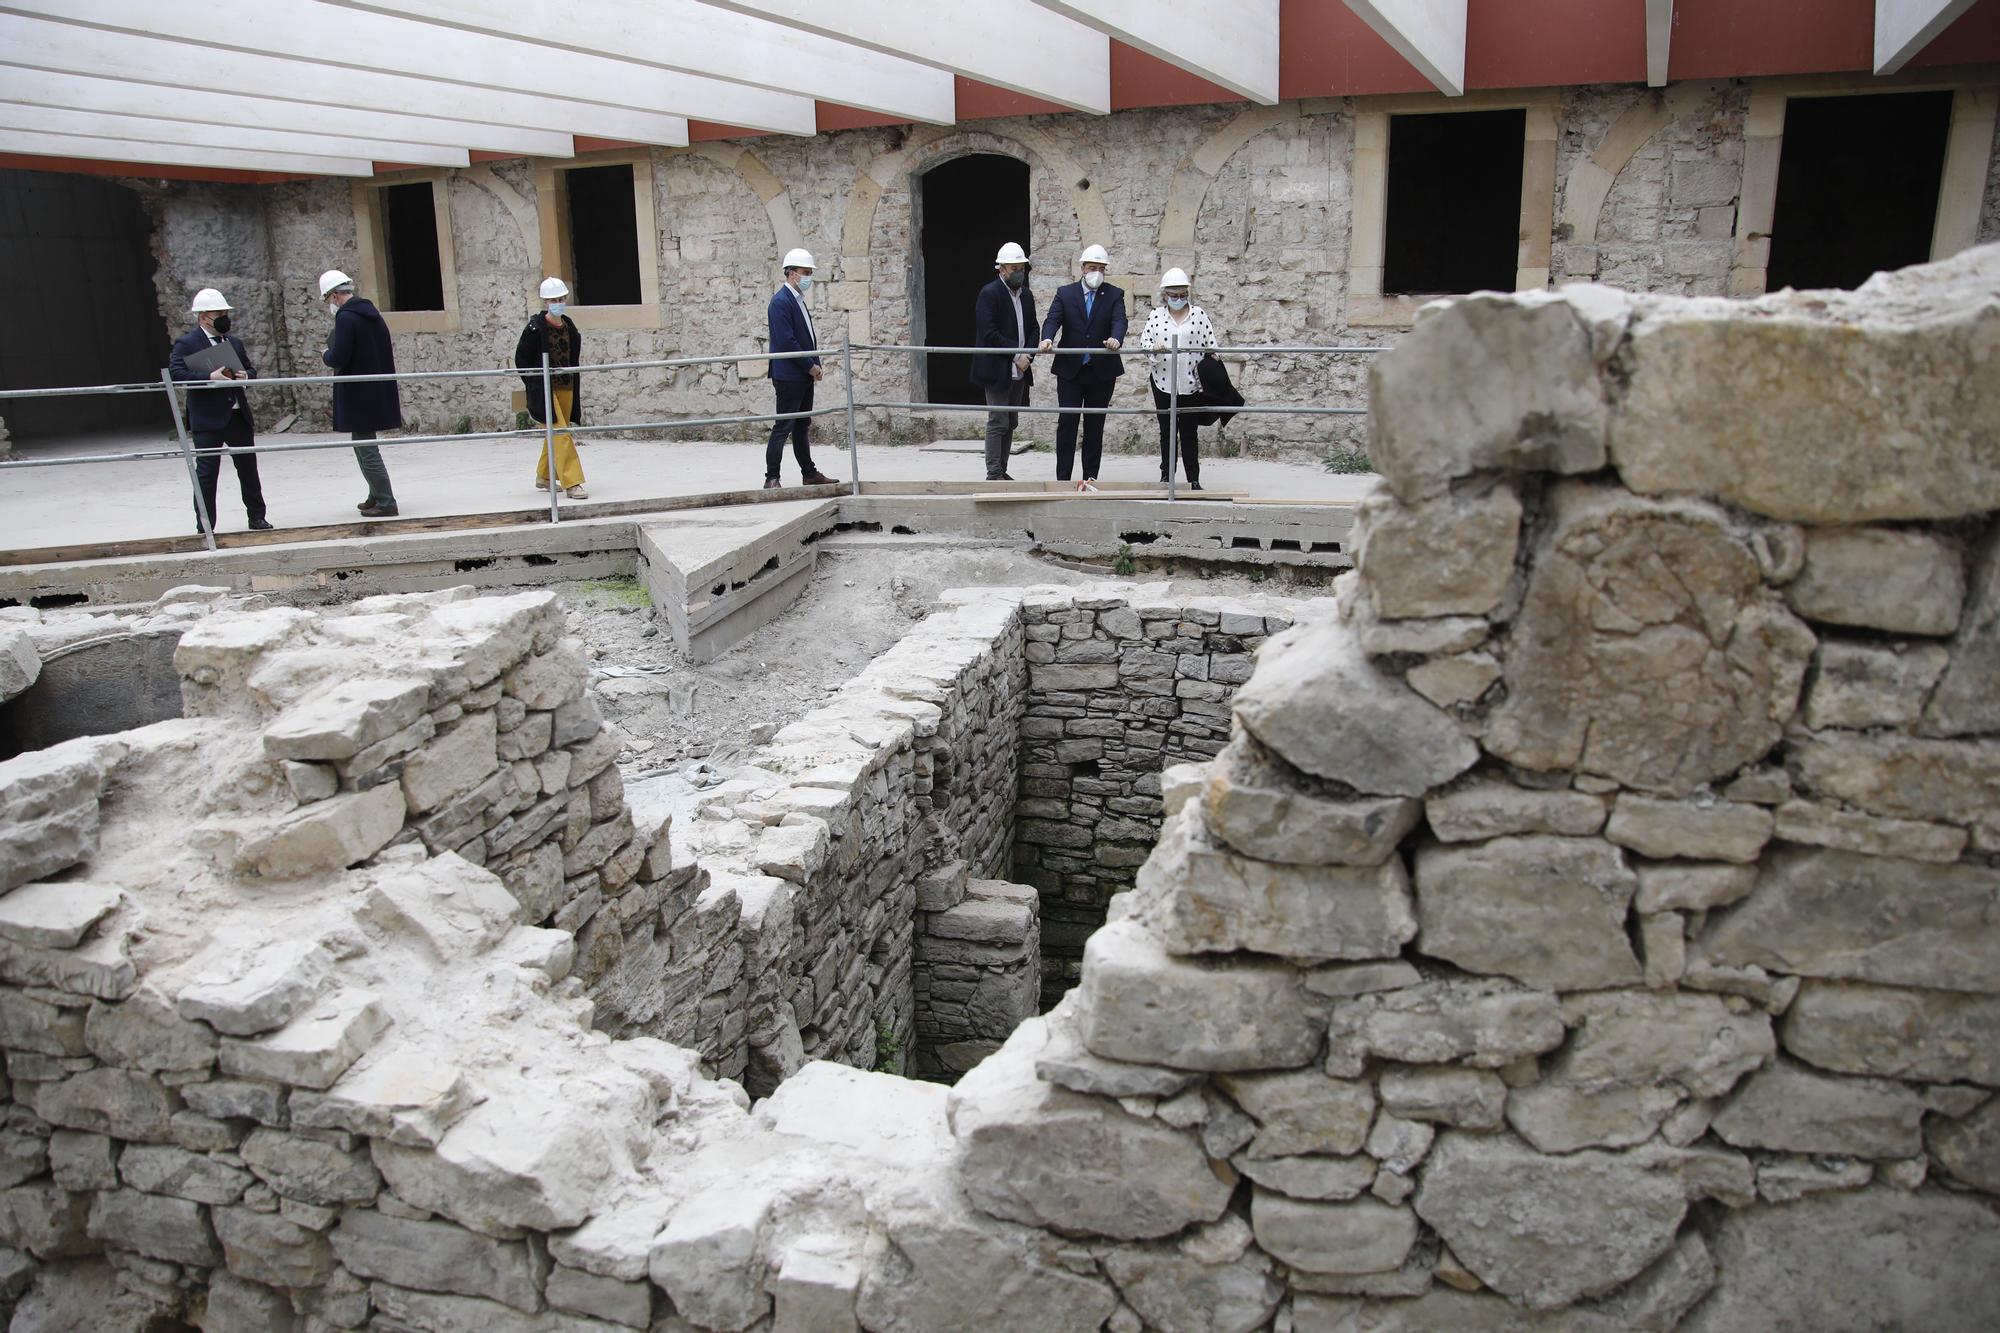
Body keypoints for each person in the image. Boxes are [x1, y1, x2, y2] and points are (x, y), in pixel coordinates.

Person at [169, 288, 272, 534]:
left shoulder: (233, 343)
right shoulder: (188, 343)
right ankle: (205, 526)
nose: (224, 317)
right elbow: (175, 373)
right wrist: (208, 377)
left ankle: (257, 517)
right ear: (203, 317)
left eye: (226, 312)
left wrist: (246, 376)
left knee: (248, 469)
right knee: (206, 473)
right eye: (219, 313)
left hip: (237, 415)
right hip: (208, 418)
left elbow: (250, 369)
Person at [1037, 243, 1126, 490]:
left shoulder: (1114, 294)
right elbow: (1053, 318)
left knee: (1095, 425)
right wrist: (1047, 338)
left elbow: (1120, 320)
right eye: (1091, 267)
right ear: (1082, 268)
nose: (1096, 272)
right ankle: (1062, 478)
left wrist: (1117, 338)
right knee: (1067, 423)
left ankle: (1090, 479)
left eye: (1101, 268)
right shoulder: (1065, 293)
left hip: (1101, 371)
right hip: (1070, 371)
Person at [319, 270, 401, 517]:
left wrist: (325, 354)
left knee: (366, 448)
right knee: (362, 444)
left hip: (358, 393)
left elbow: (339, 357)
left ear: (335, 296)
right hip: (374, 390)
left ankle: (386, 501)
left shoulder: (346, 318)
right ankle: (374, 494)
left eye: (328, 300)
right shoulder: (370, 314)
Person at [1138, 267, 1218, 492]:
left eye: (1183, 294)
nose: (1178, 299)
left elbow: (1211, 342)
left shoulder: (1198, 315)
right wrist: (1154, 348)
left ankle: (1193, 478)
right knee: (1167, 430)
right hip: (1163, 381)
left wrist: (1213, 359)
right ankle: (1167, 475)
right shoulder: (1156, 315)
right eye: (1174, 295)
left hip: (1190, 383)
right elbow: (1144, 342)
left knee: (1189, 432)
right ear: (1165, 295)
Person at [764, 248, 836, 490]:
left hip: (802, 373)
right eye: (806, 273)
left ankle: (809, 473)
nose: (809, 278)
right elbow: (787, 342)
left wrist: (814, 365)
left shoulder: (797, 301)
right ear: (792, 273)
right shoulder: (780, 302)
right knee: (783, 426)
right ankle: (772, 477)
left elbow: (806, 338)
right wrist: (811, 367)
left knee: (802, 425)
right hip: (789, 375)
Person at [515, 277, 588, 499]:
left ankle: (545, 476)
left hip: (566, 386)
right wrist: (535, 383)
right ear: (546, 302)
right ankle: (573, 481)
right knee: (561, 433)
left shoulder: (569, 325)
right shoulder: (535, 328)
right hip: (546, 388)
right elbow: (521, 359)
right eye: (554, 299)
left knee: (554, 434)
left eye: (561, 298)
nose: (558, 302)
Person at [970, 241, 1037, 482]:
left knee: (1011, 421)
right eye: (1014, 268)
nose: (1019, 272)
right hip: (998, 368)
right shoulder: (990, 294)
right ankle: (993, 473)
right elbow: (989, 334)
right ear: (1002, 270)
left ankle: (1003, 470)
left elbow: (1033, 327)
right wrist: (1016, 355)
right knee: (998, 420)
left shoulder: (1026, 295)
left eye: (1022, 267)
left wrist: (1028, 354)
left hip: (1020, 367)